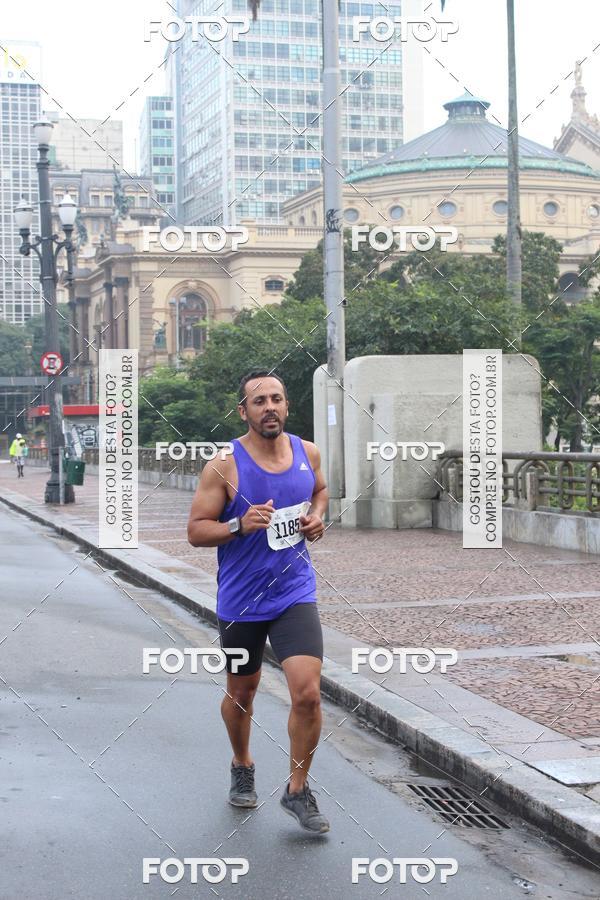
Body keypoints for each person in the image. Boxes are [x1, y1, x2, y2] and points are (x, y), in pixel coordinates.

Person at [187, 370, 330, 834]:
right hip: (242, 600)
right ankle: (242, 763)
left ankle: (297, 789)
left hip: (294, 592)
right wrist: (237, 526)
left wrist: (317, 518)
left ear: (286, 407)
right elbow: (195, 531)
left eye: (277, 399)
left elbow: (321, 491)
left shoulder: (307, 453)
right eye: (259, 401)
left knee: (307, 693)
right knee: (242, 692)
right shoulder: (224, 464)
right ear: (243, 411)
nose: (270, 407)